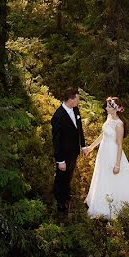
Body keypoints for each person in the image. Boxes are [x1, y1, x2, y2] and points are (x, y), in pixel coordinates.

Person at [51, 87, 86, 215]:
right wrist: (60, 160)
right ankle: (60, 203)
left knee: (69, 175)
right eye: (77, 98)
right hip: (64, 154)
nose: (79, 100)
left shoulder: (75, 109)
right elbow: (56, 141)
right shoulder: (58, 116)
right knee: (61, 177)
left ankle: (66, 194)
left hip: (74, 151)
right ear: (71, 99)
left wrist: (82, 145)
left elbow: (79, 129)